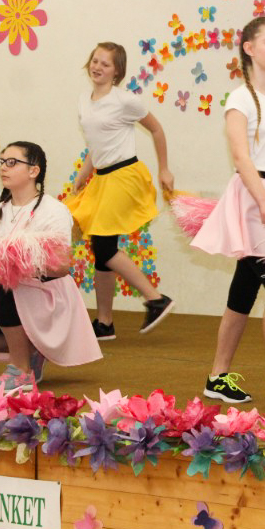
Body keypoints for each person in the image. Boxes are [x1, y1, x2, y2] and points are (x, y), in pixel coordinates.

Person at [192, 16, 265, 408]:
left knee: (245, 286)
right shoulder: (239, 99)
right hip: (252, 198)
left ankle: (218, 376)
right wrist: (263, 201)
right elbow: (242, 157)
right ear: (249, 48)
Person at [0, 142, 102, 392]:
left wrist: (16, 262)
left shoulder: (54, 210)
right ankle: (32, 350)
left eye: (12, 162)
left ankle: (21, 371)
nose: (3, 168)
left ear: (34, 171)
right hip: (11, 294)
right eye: (1, 162)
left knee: (2, 287)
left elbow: (61, 266)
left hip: (46, 294)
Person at [65, 42, 174, 341]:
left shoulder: (125, 100)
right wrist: (83, 173)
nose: (97, 67)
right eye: (95, 60)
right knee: (101, 251)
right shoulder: (84, 100)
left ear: (117, 71)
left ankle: (155, 298)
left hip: (124, 175)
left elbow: (157, 129)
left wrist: (164, 169)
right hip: (102, 178)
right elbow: (96, 142)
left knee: (104, 247)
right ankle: (105, 323)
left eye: (106, 64)